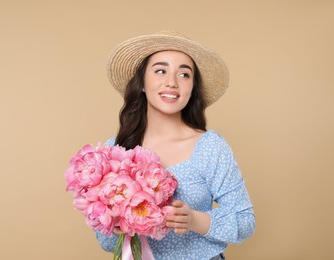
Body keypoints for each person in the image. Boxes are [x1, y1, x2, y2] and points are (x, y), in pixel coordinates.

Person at [96, 31, 255, 260]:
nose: (172, 82)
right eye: (160, 71)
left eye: (184, 74)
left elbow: (245, 221)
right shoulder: (116, 151)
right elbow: (107, 242)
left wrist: (193, 220)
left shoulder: (209, 147)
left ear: (192, 88)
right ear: (141, 82)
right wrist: (117, 224)